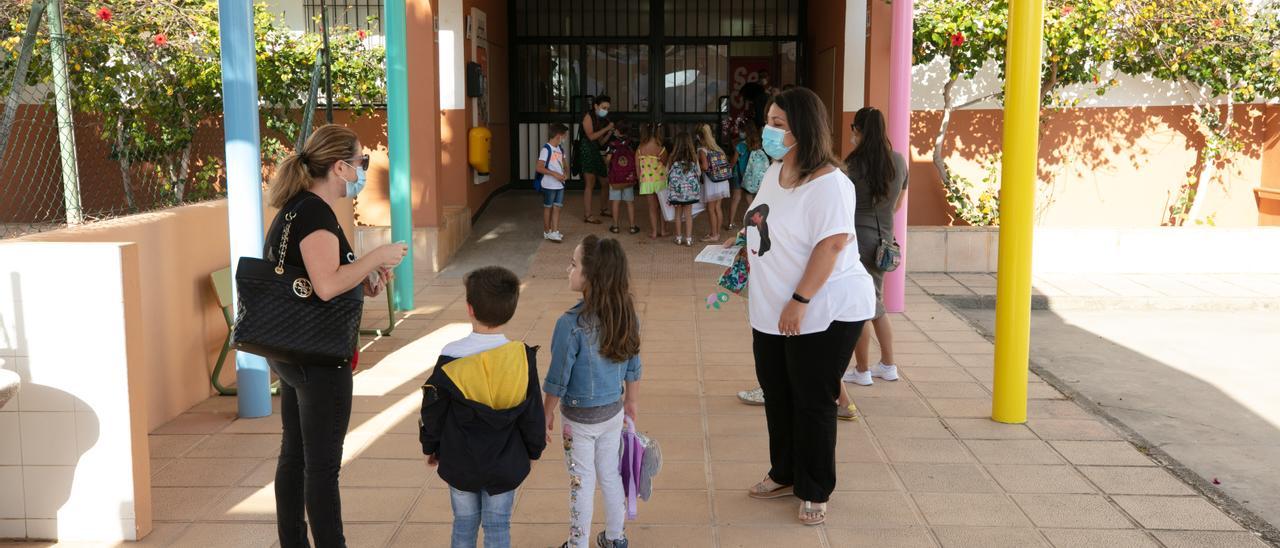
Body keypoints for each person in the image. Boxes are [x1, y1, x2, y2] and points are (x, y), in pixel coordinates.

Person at [263, 124, 408, 548]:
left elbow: (323, 276)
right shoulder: (315, 215)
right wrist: (377, 256)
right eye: (361, 162)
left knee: (296, 455)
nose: (364, 169)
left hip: (292, 350)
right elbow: (325, 285)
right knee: (321, 466)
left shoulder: (299, 208)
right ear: (340, 167)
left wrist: (365, 277)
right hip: (317, 358)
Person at [739, 87, 875, 526]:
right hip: (770, 307)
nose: (770, 131)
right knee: (777, 393)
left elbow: (832, 243)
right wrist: (737, 245)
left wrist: (800, 301)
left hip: (824, 308)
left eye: (779, 125)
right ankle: (784, 472)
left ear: (804, 129)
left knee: (812, 398)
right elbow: (761, 219)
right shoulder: (775, 171)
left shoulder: (831, 183)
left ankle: (815, 488)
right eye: (769, 122)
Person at [420, 266, 547, 548]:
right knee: (498, 526)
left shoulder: (450, 356)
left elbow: (433, 411)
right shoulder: (521, 358)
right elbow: (532, 413)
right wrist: (534, 450)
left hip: (460, 460)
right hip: (505, 462)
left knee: (463, 525)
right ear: (510, 310)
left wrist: (430, 447)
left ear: (469, 308)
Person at [544, 235, 643, 548]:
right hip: (612, 413)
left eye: (574, 265)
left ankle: (578, 543)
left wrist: (545, 414)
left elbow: (557, 378)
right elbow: (633, 364)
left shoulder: (570, 324)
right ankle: (616, 538)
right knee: (611, 474)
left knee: (581, 481)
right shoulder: (627, 313)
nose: (568, 269)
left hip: (578, 421)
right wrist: (631, 402)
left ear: (591, 277)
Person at [840, 107, 909, 387]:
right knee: (876, 304)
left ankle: (863, 369)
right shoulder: (898, 161)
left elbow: (842, 205)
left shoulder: (852, 165)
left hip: (857, 240)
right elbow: (898, 204)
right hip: (885, 242)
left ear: (858, 129)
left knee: (861, 307)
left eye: (853, 129)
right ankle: (888, 365)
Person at [577, 95, 615, 224]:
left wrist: (609, 133)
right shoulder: (588, 117)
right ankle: (588, 215)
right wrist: (607, 128)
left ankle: (604, 208)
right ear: (595, 106)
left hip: (595, 150)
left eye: (607, 108)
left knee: (605, 181)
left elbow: (600, 141)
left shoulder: (599, 119)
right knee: (590, 184)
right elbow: (591, 137)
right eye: (604, 107)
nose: (606, 110)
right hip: (586, 151)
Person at [603, 121, 641, 235]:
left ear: (617, 131)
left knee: (616, 201)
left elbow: (608, 160)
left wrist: (607, 164)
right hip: (628, 178)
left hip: (615, 178)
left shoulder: (612, 144)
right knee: (630, 202)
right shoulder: (631, 144)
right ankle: (632, 227)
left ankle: (615, 226)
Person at [665, 132, 701, 247]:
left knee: (678, 214)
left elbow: (667, 172)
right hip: (690, 192)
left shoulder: (672, 157)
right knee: (688, 215)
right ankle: (689, 239)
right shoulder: (694, 157)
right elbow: (699, 172)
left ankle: (679, 238)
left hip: (676, 192)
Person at [696, 124, 731, 242]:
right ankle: (717, 233)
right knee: (717, 208)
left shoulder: (702, 150)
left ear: (699, 137)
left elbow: (705, 167)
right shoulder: (717, 148)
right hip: (722, 181)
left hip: (712, 182)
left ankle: (713, 235)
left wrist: (696, 164)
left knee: (711, 209)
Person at [536, 123, 570, 243]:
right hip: (549, 185)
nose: (565, 137)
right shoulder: (546, 149)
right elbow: (539, 167)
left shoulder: (560, 149)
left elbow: (565, 164)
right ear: (558, 135)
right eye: (564, 135)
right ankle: (547, 231)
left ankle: (555, 231)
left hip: (560, 184)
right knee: (548, 208)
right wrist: (554, 174)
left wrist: (565, 173)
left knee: (557, 208)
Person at [636, 124, 669, 240]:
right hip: (660, 180)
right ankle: (663, 231)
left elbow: (637, 167)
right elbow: (665, 163)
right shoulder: (661, 148)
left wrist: (640, 180)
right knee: (662, 206)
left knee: (652, 207)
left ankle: (654, 232)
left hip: (647, 181)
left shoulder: (640, 148)